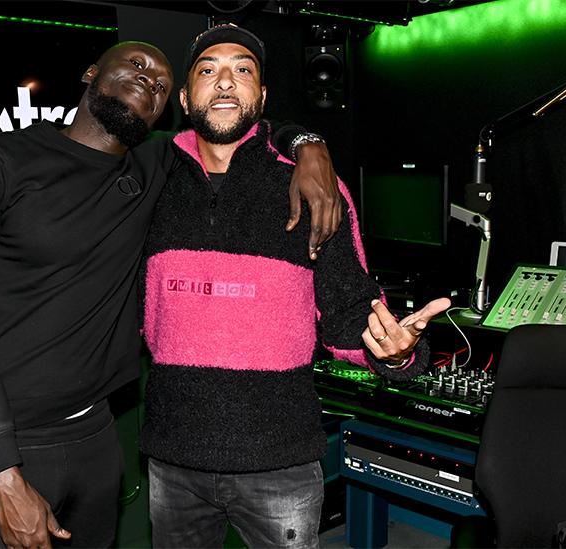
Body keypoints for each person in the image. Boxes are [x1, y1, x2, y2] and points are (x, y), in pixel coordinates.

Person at [0, 39, 343, 549]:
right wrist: (4, 476)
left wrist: (310, 145)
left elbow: (237, 122)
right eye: (137, 65)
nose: (150, 80)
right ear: (92, 72)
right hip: (4, 447)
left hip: (97, 439)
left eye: (163, 84)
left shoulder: (155, 166)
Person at [139, 24, 452, 548]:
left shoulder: (314, 187)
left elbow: (350, 312)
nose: (224, 83)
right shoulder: (151, 182)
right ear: (185, 95)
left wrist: (396, 355)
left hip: (279, 464)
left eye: (242, 70)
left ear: (261, 97)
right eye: (208, 70)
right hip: (173, 462)